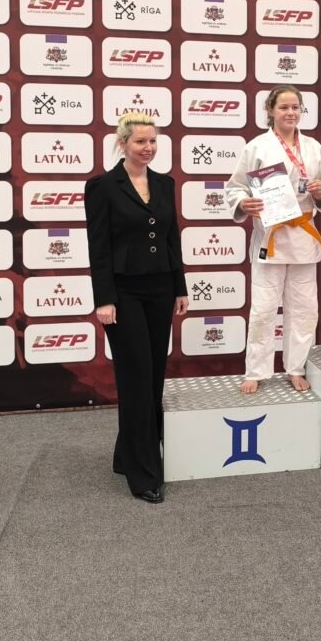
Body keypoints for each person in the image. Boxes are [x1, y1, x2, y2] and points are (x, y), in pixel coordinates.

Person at [86, 112, 189, 503]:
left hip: (160, 289)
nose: (148, 148)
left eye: (152, 141)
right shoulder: (102, 186)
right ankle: (144, 473)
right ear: (122, 144)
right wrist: (104, 298)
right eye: (140, 141)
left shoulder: (165, 183)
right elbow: (98, 246)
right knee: (136, 376)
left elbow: (171, 238)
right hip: (123, 293)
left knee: (153, 376)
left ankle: (125, 454)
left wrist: (179, 287)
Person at [227, 86, 321, 394]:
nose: (290, 113)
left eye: (295, 107)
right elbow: (236, 187)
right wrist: (243, 203)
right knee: (263, 310)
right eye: (284, 107)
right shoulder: (257, 147)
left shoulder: (313, 147)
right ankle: (256, 370)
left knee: (304, 310)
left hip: (303, 236)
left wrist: (320, 192)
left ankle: (295, 368)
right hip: (270, 237)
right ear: (270, 110)